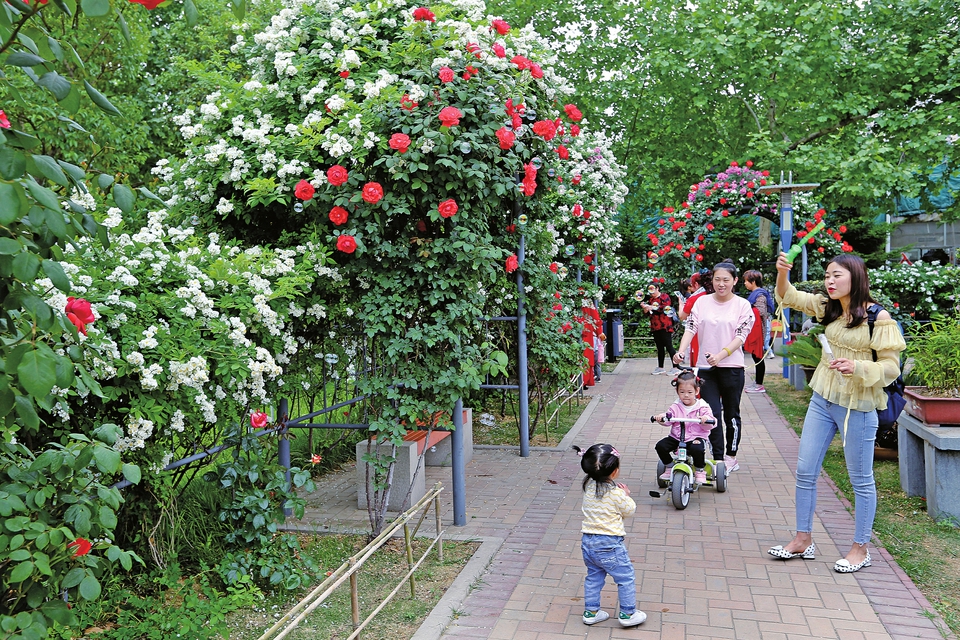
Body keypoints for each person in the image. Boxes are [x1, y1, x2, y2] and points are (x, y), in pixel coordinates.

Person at [767, 253, 905, 573]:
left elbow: (890, 368)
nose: (829, 281)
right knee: (805, 470)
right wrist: (782, 273)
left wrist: (856, 366)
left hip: (858, 405)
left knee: (861, 479)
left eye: (837, 276)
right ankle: (803, 539)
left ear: (855, 277)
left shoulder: (878, 317)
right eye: (827, 275)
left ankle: (860, 548)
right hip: (823, 397)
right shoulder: (829, 307)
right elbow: (788, 296)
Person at [673, 262, 754, 473]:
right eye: (717, 279)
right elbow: (691, 328)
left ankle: (731, 456)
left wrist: (721, 355)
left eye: (726, 280)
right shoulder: (702, 303)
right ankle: (718, 459)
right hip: (705, 368)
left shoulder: (743, 305)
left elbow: (740, 336)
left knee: (731, 415)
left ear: (735, 281)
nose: (721, 284)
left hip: (732, 367)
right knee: (711, 414)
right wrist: (681, 351)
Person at [572, 443, 647, 628]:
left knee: (594, 576)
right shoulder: (616, 494)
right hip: (609, 544)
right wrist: (626, 495)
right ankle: (628, 614)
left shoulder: (589, 488)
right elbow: (629, 510)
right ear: (614, 472)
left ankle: (591, 612)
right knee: (625, 577)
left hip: (588, 542)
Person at [653, 371, 716, 485]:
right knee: (661, 446)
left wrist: (705, 419)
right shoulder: (676, 406)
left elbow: (712, 423)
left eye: (689, 392)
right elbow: (668, 418)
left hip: (695, 437)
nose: (685, 395)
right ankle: (669, 466)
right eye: (682, 392)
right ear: (677, 391)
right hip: (677, 437)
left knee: (697, 449)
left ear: (697, 391)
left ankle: (699, 470)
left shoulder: (702, 407)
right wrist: (661, 418)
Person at [743, 270, 774, 393]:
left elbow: (760, 312)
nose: (745, 283)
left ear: (753, 282)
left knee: (758, 357)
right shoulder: (757, 294)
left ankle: (759, 385)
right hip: (757, 329)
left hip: (759, 329)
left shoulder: (759, 295)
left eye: (746, 281)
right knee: (756, 357)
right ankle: (757, 383)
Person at [640, 281, 678, 375]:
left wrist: (651, 307)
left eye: (653, 289)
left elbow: (665, 308)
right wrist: (645, 309)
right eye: (650, 290)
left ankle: (676, 367)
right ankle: (660, 367)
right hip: (655, 326)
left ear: (658, 288)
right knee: (659, 347)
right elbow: (649, 314)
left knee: (669, 346)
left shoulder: (664, 297)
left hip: (665, 325)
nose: (651, 292)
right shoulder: (651, 300)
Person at [678, 269, 714, 365]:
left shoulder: (694, 298)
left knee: (698, 358)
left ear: (696, 284)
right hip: (715, 331)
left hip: (697, 332)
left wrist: (680, 304)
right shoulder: (716, 295)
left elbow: (682, 316)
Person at [580, 301, 604, 387]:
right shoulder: (587, 301)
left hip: (573, 328)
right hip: (587, 330)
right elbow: (596, 319)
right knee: (586, 355)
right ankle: (585, 381)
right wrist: (599, 332)